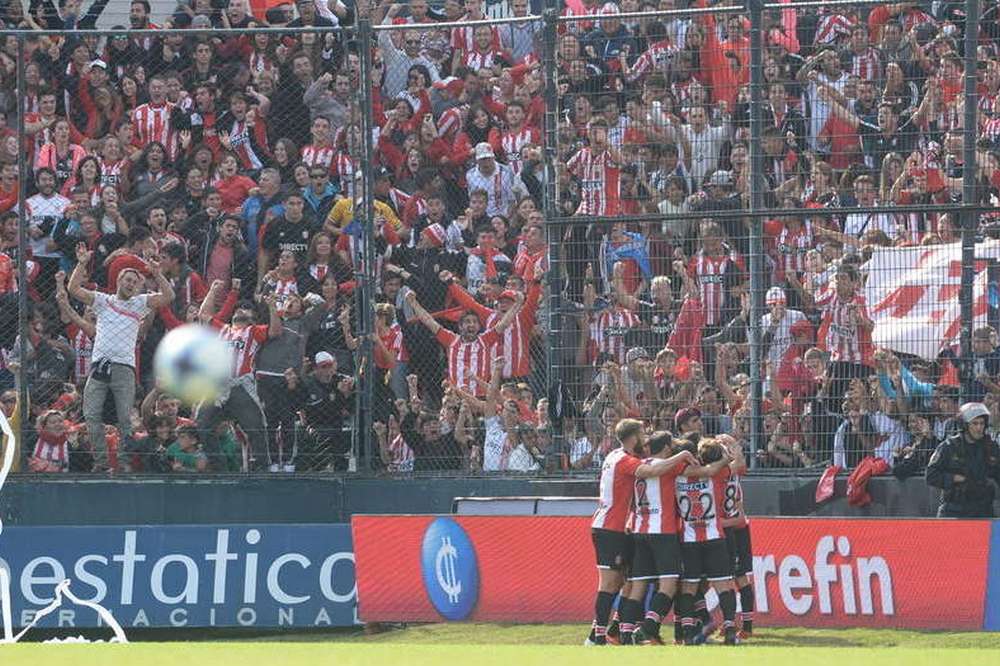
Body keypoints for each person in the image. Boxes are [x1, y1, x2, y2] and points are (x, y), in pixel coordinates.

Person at [585, 418, 698, 647]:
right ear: (633, 437)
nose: (645, 438)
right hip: (612, 528)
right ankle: (597, 637)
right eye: (642, 433)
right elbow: (647, 470)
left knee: (628, 583)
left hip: (624, 527)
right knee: (610, 583)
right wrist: (682, 455)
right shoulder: (627, 461)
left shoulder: (614, 456)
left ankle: (617, 632)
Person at [67, 242, 174, 472]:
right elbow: (73, 288)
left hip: (125, 368)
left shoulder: (140, 303)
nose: (131, 284)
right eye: (128, 279)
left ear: (138, 287)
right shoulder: (103, 300)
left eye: (135, 282)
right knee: (91, 415)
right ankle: (102, 463)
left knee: (125, 419)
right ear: (118, 281)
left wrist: (156, 273)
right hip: (99, 366)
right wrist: (82, 262)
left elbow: (169, 295)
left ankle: (124, 463)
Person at [626, 430, 730, 646]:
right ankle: (651, 629)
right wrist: (727, 457)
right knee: (673, 585)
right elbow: (711, 471)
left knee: (641, 586)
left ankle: (625, 632)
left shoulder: (639, 465)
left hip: (642, 531)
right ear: (666, 448)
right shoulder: (674, 467)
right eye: (671, 444)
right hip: (669, 532)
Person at [197, 280, 282, 471]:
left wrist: (272, 308)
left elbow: (275, 331)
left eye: (245, 310)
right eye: (238, 310)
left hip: (240, 385)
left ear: (253, 317)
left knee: (256, 427)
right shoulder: (223, 329)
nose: (240, 312)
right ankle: (219, 467)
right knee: (202, 423)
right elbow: (203, 315)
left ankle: (262, 466)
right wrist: (212, 290)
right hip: (217, 386)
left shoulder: (253, 331)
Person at [674, 437, 740, 645]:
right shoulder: (719, 474)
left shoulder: (676, 476)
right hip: (714, 537)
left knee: (689, 587)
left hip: (689, 539)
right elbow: (737, 465)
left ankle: (687, 633)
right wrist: (730, 452)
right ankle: (729, 628)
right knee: (723, 585)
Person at [926, 402, 1000, 518]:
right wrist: (954, 478)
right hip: (954, 510)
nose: (979, 428)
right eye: (975, 424)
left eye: (982, 423)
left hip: (983, 509)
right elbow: (931, 475)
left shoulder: (991, 447)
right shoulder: (949, 446)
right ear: (965, 425)